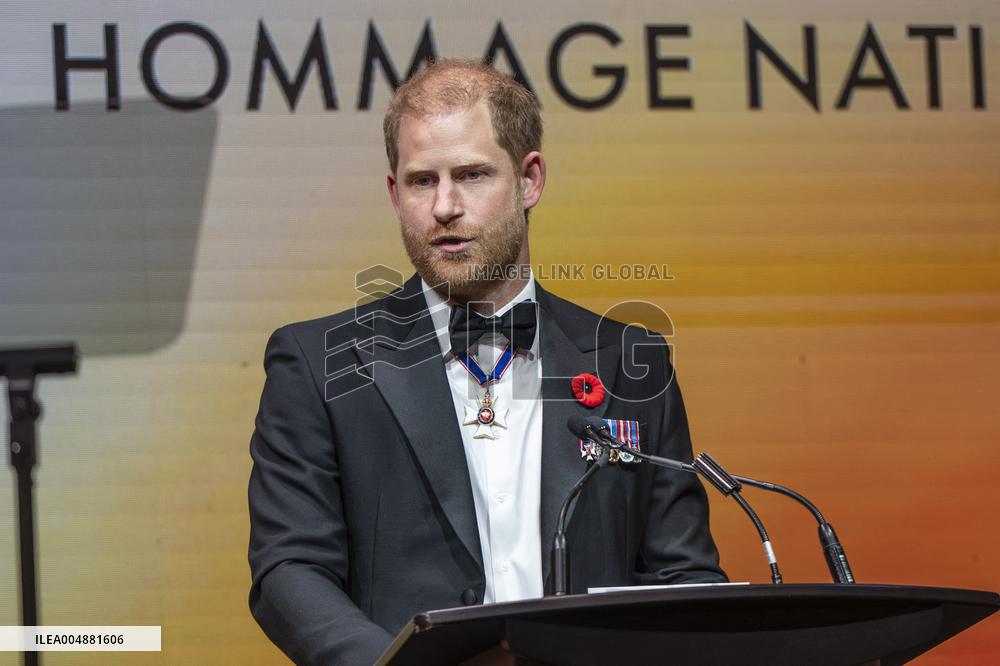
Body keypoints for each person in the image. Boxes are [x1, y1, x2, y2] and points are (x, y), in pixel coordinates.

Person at [248, 59, 725, 666]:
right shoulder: (318, 366)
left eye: (472, 175)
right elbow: (289, 571)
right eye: (423, 181)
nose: (445, 206)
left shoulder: (632, 362)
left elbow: (682, 576)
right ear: (395, 193)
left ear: (529, 180)